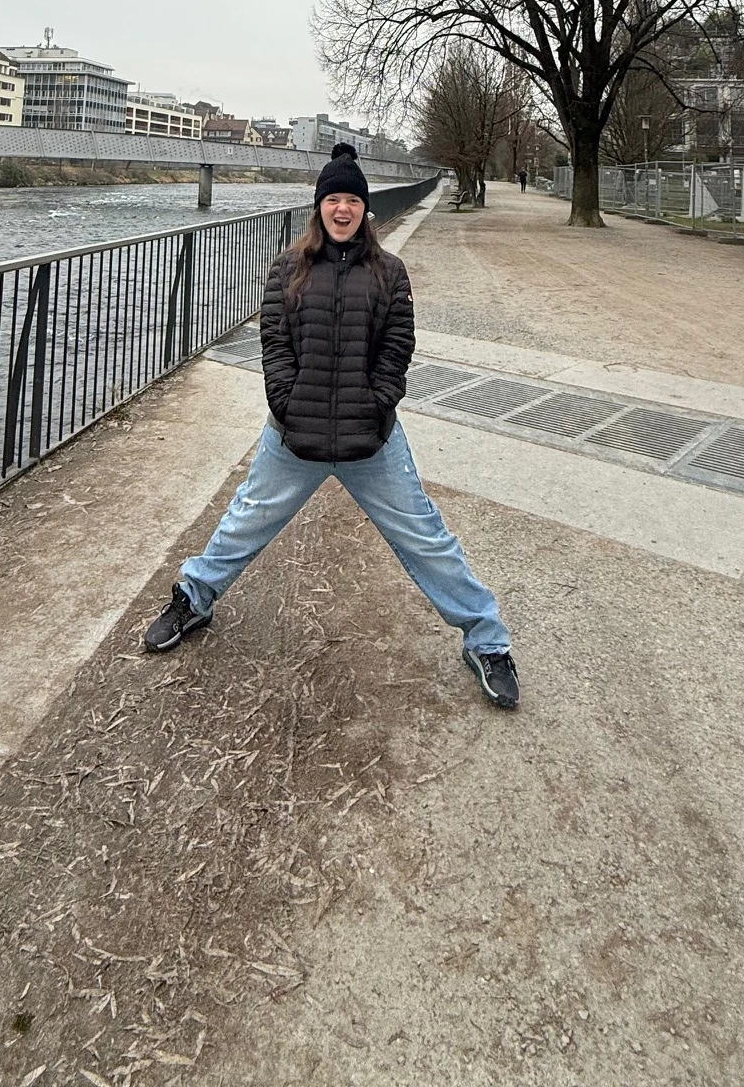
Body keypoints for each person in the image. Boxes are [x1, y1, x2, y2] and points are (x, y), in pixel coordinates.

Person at [143, 144, 520, 708]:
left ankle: (487, 641)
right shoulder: (287, 269)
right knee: (247, 520)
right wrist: (287, 403)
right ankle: (193, 599)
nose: (343, 209)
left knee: (425, 537)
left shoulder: (390, 272)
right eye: (333, 199)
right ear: (319, 206)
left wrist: (378, 403)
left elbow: (397, 346)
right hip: (295, 432)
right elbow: (275, 345)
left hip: (371, 436)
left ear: (365, 210)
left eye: (352, 200)